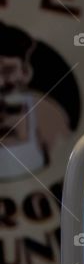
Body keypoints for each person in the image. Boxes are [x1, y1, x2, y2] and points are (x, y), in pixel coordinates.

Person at [0, 23, 71, 178]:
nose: (0, 82)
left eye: (8, 71)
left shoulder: (45, 112)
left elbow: (66, 160)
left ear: (25, 72)